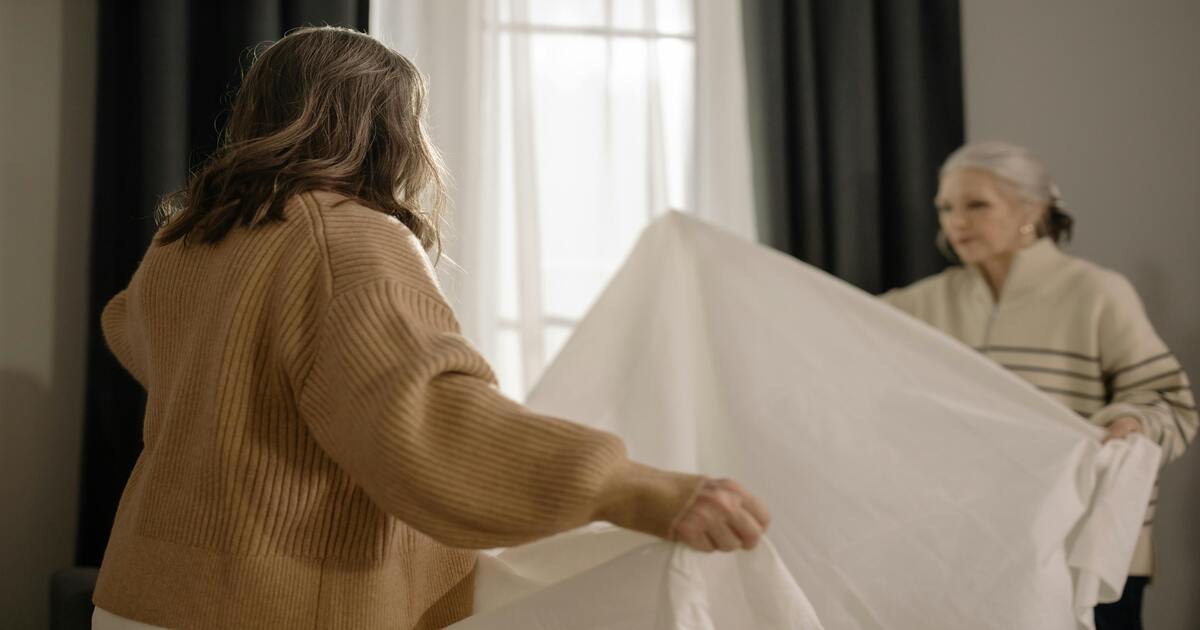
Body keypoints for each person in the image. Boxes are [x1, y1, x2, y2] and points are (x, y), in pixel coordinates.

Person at [90, 26, 769, 630]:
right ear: (391, 128)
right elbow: (428, 417)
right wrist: (634, 488)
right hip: (276, 606)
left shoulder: (184, 241)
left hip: (137, 595)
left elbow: (130, 330)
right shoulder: (347, 238)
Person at [882, 141, 1197, 630]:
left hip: (1085, 549)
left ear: (1031, 209)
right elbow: (830, 335)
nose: (955, 221)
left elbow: (1169, 401)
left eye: (976, 204)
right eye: (945, 208)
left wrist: (1129, 424)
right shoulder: (922, 304)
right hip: (971, 554)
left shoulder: (1096, 293)